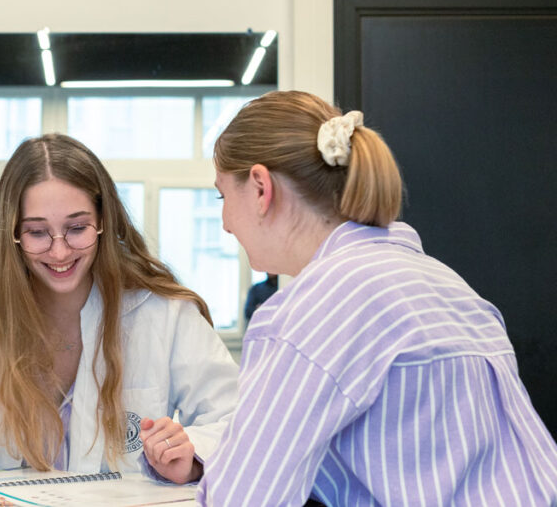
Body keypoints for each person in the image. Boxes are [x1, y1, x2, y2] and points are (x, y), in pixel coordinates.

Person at [199, 90, 557, 505]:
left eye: (223, 196)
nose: (225, 223)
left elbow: (243, 498)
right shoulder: (446, 285)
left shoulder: (314, 309)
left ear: (262, 188)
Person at [0, 133, 238, 484]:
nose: (60, 251)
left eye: (77, 228)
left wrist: (189, 458)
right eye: (37, 232)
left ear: (103, 221)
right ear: (12, 233)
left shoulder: (164, 314)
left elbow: (235, 418)